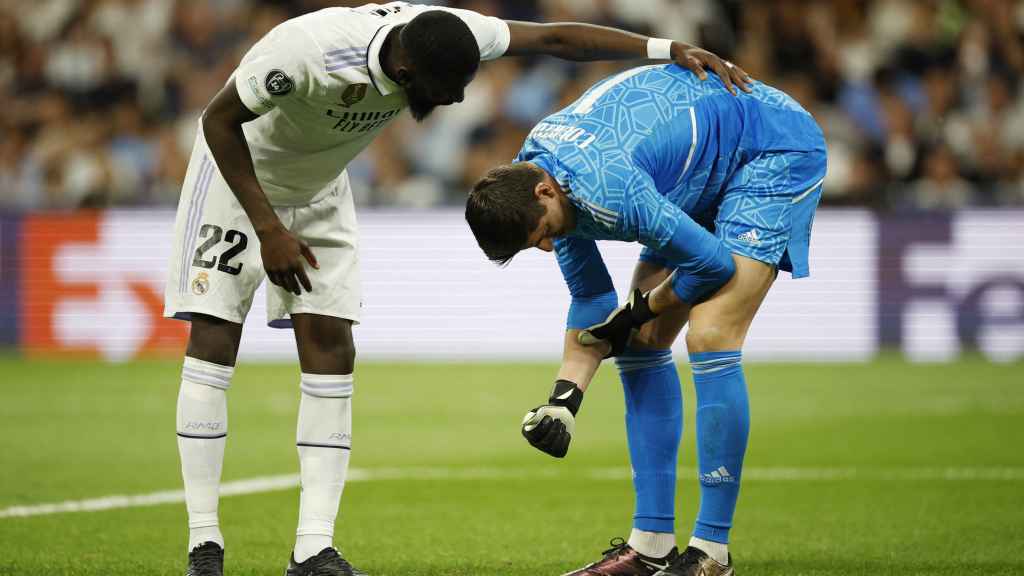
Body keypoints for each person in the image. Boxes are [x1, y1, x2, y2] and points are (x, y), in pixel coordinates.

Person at [162, 2, 750, 575]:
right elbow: (216, 120)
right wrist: (268, 229)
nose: (459, 97)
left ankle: (312, 550)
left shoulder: (447, 33)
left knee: (332, 350)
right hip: (238, 182)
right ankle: (204, 545)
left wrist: (664, 49)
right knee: (215, 342)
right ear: (404, 72)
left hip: (320, 189)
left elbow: (553, 40)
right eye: (447, 87)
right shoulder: (304, 56)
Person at [464, 63, 827, 576]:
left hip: (769, 147)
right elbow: (591, 298)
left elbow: (713, 265)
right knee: (639, 344)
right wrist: (563, 402)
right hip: (698, 164)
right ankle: (652, 544)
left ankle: (711, 553)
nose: (547, 246)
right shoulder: (537, 180)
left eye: (542, 233)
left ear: (544, 193)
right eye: (534, 246)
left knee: (711, 333)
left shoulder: (607, 192)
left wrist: (636, 310)